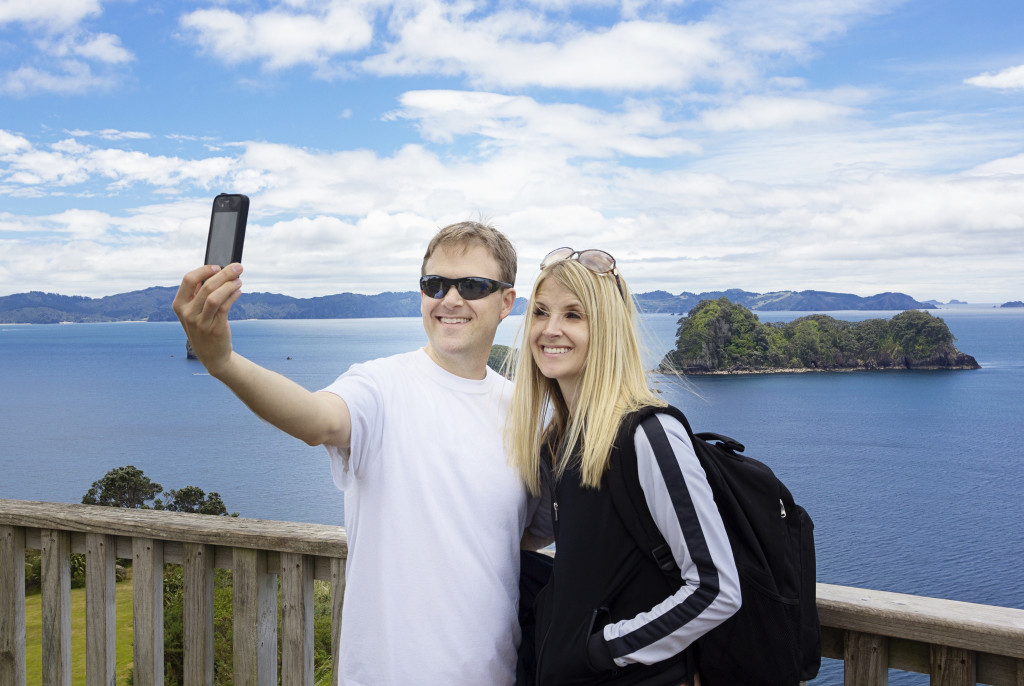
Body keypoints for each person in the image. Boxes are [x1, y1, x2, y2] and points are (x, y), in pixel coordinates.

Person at [173, 221, 551, 685]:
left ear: (506, 302)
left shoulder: (525, 414)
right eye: (435, 284)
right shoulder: (380, 385)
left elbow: (522, 533)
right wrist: (223, 362)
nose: (450, 299)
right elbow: (318, 419)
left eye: (472, 286)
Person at [505, 247, 742, 685]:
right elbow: (535, 536)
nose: (550, 329)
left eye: (574, 315)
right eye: (540, 312)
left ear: (607, 330)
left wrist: (602, 649)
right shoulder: (560, 440)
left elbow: (716, 588)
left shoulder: (648, 434)